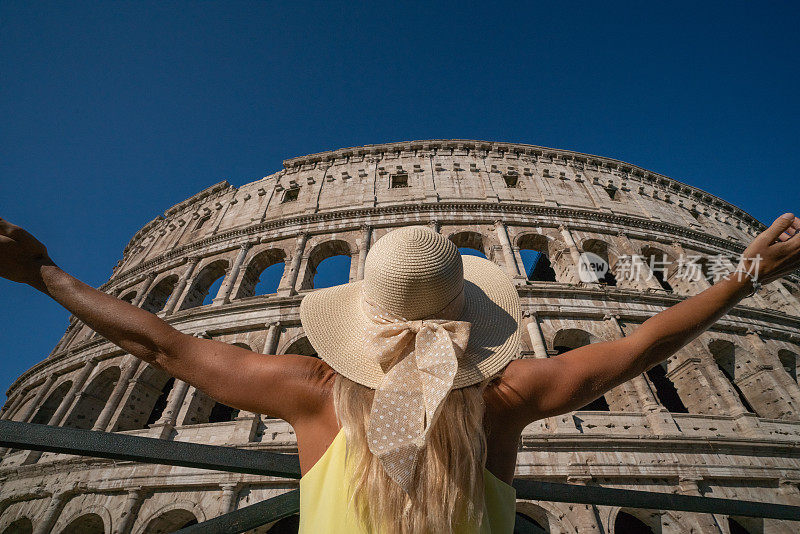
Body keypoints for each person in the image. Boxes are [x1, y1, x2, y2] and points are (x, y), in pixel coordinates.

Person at [1, 214, 799, 533]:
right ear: (470, 319)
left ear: (362, 320)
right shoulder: (500, 404)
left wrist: (43, 273)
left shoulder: (312, 395)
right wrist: (745, 276)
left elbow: (164, 346)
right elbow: (643, 346)